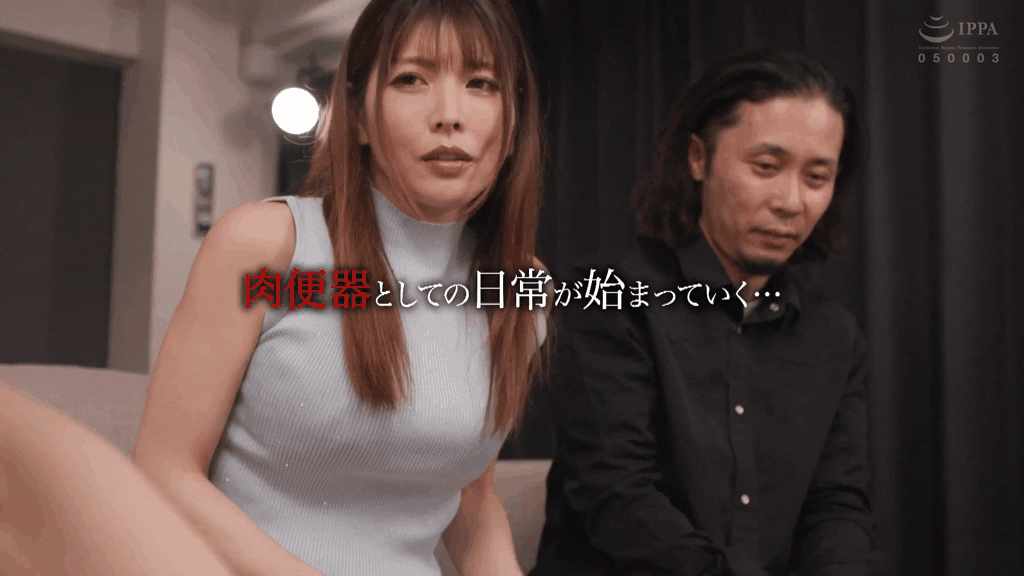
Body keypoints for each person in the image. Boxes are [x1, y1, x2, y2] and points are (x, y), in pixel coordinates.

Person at [128, 1, 548, 575]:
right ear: (358, 117)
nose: (449, 115)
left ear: (513, 122)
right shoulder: (266, 244)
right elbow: (164, 470)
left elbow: (471, 500)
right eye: (411, 79)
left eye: (481, 83)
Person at [531, 49, 873, 576]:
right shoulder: (611, 294)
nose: (790, 201)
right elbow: (616, 494)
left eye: (816, 177)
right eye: (766, 167)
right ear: (698, 158)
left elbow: (836, 505)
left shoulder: (832, 334)